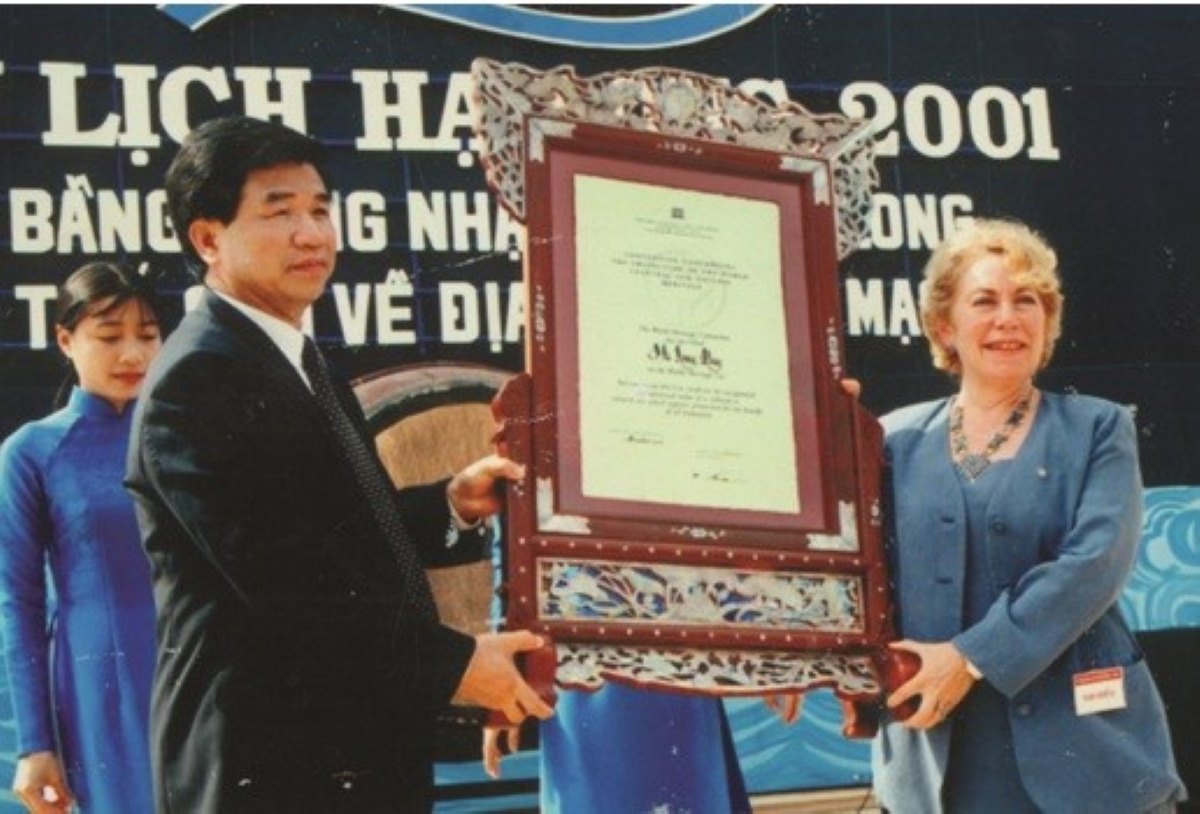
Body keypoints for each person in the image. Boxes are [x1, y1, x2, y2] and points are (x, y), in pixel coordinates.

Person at [124, 115, 553, 813]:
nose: (312, 233)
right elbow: (290, 587)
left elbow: (339, 533)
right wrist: (458, 667)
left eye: (321, 209)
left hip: (349, 755)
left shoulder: (294, 358)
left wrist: (448, 502)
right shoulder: (199, 380)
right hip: (272, 770)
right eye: (280, 211)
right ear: (208, 238)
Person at [867, 218, 1186, 812]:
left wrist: (967, 658)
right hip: (938, 762)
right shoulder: (890, 440)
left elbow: (1093, 566)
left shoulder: (1098, 427)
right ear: (945, 326)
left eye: (1027, 301)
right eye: (984, 301)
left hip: (1088, 761)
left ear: (1047, 323)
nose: (1009, 317)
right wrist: (835, 670)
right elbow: (864, 579)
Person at [0, 262, 163, 813]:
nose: (133, 355)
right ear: (66, 340)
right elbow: (17, 602)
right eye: (109, 336)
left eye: (147, 335)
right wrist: (34, 745)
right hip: (102, 683)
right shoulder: (32, 451)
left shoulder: (185, 437)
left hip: (202, 674)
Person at [485, 684, 754, 813]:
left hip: (681, 664)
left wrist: (777, 653)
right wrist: (506, 685)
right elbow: (517, 576)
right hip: (581, 673)